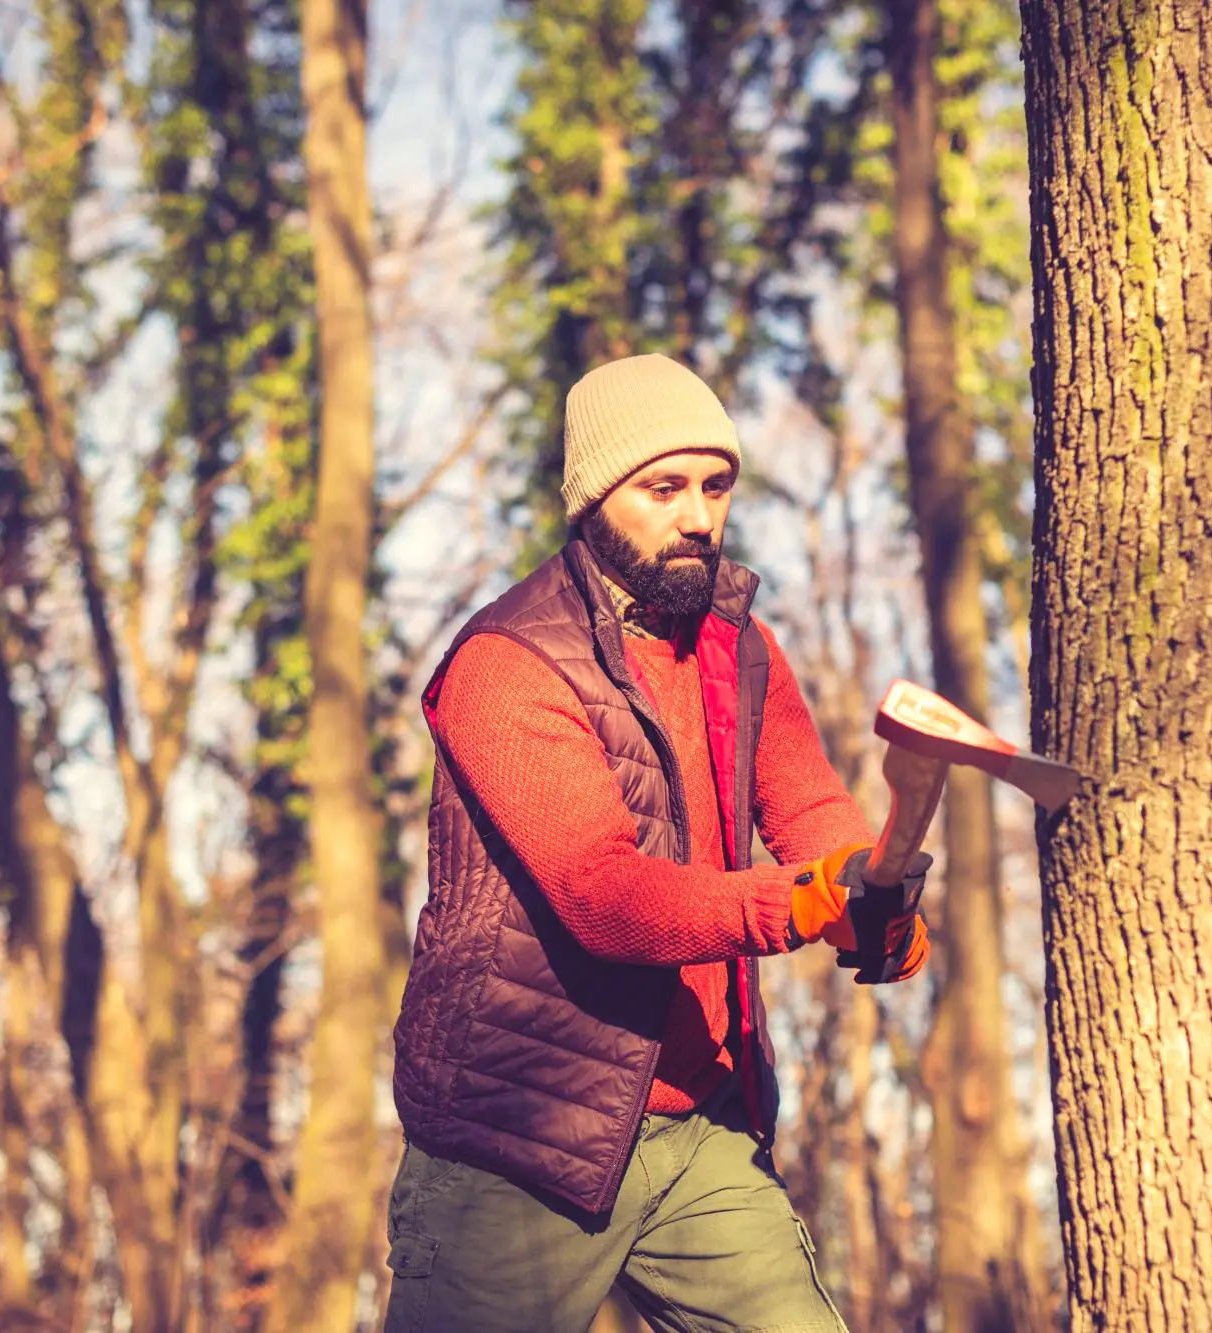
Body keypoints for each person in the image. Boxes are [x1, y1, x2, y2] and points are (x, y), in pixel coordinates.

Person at [382, 353, 932, 1333]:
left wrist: (871, 903)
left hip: (697, 1129)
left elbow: (812, 817)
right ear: (594, 498)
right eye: (663, 488)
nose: (697, 516)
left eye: (714, 485)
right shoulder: (508, 664)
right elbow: (603, 894)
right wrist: (797, 901)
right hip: (519, 1134)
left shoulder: (739, 647)